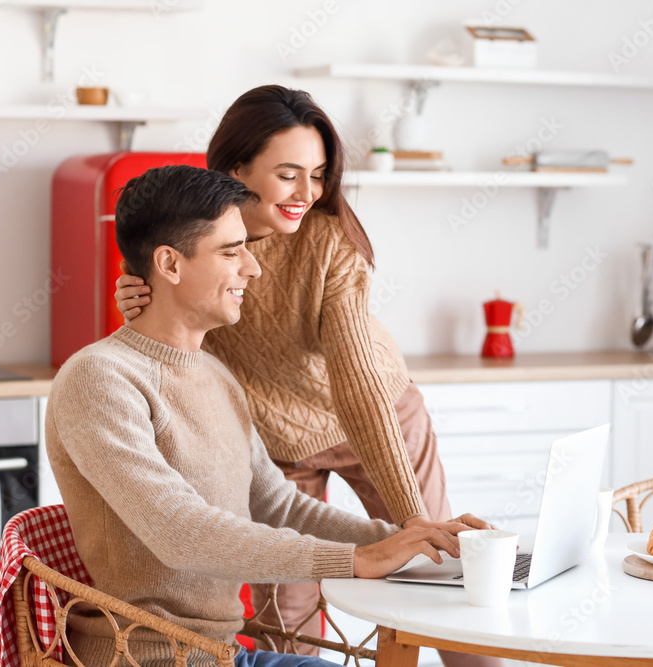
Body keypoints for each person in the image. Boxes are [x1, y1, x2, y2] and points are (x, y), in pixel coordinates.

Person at [115, 86, 501, 667]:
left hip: (378, 417)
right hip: (278, 443)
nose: (308, 194)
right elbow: (173, 333)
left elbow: (357, 385)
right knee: (282, 624)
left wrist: (414, 522)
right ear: (235, 168)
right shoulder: (194, 235)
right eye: (289, 174)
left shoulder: (328, 242)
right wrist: (139, 301)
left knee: (438, 576)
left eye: (318, 175)